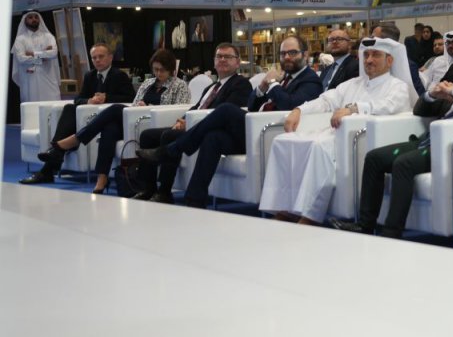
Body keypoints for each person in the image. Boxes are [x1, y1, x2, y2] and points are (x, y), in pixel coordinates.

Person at [331, 35, 453, 238]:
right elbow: (419, 110)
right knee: (374, 157)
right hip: (428, 141)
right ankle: (365, 224)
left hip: (452, 149)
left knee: (403, 163)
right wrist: (431, 95)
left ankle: (392, 232)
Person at [136, 37, 322, 206]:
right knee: (213, 137)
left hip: (271, 134)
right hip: (253, 130)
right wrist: (262, 87)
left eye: (292, 52)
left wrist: (272, 84)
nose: (287, 57)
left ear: (305, 55)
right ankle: (194, 199)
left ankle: (172, 150)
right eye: (283, 53)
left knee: (225, 109)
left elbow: (290, 105)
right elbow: (251, 105)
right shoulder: (283, 78)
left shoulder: (310, 80)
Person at [259, 37, 413, 225]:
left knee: (318, 146)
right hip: (337, 134)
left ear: (389, 60)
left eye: (376, 55)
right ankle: (285, 209)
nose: (369, 60)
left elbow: (388, 106)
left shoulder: (397, 86)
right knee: (283, 141)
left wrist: (354, 108)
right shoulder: (353, 84)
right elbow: (325, 100)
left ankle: (310, 215)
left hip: (363, 140)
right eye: (366, 55)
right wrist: (299, 110)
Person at [48, 49, 190, 194]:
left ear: (170, 69)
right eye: (155, 69)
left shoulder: (179, 86)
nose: (158, 73)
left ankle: (78, 139)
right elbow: (134, 104)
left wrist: (149, 107)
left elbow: (179, 110)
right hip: (134, 121)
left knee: (115, 110)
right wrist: (138, 107)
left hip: (153, 123)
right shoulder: (148, 83)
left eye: (162, 70)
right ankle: (102, 177)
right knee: (110, 128)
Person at [133, 43, 252, 202]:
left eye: (228, 57)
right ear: (214, 61)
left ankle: (164, 192)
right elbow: (196, 107)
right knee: (148, 135)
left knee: (169, 135)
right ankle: (147, 188)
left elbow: (225, 115)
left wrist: (191, 122)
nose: (222, 59)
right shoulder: (211, 87)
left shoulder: (240, 84)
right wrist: (183, 119)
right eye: (219, 56)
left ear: (237, 63)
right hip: (194, 125)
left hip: (211, 129)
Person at [20, 43, 136, 185]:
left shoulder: (119, 75)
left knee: (72, 112)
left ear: (110, 58)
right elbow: (78, 99)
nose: (97, 60)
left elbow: (130, 98)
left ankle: (53, 158)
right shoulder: (90, 75)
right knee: (70, 108)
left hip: (106, 118)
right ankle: (57, 151)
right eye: (94, 58)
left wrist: (107, 98)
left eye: (101, 57)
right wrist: (89, 101)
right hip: (86, 116)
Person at [12, 11, 61, 103]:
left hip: (49, 80)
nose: (34, 19)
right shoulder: (20, 40)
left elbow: (53, 53)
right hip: (29, 82)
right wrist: (43, 56)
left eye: (36, 17)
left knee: (53, 107)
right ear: (25, 20)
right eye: (30, 17)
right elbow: (21, 58)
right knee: (31, 108)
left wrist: (33, 54)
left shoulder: (49, 37)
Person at [371, 23, 426, 96]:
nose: (370, 41)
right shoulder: (369, 63)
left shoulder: (409, 67)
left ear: (387, 42)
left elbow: (419, 96)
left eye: (373, 38)